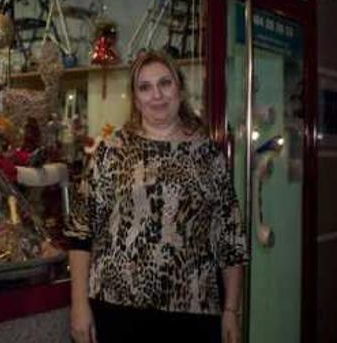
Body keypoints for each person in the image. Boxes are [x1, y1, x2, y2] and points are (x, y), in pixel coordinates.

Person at [65, 50, 248, 343]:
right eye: (145, 87)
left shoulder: (208, 155)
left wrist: (231, 310)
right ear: (136, 99)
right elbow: (80, 231)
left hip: (194, 311)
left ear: (180, 88)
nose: (157, 95)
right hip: (117, 309)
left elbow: (230, 240)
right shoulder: (112, 151)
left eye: (165, 83)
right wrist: (78, 305)